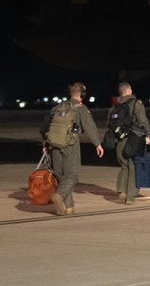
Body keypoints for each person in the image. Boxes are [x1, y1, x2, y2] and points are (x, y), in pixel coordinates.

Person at [44, 82, 104, 216]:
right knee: (72, 176)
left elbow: (47, 127)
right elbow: (89, 126)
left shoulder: (58, 107)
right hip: (70, 145)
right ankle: (59, 195)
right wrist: (97, 144)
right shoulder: (80, 109)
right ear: (82, 94)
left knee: (62, 176)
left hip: (54, 145)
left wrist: (45, 145)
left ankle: (69, 207)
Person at [109, 82, 150, 204]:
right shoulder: (136, 104)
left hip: (120, 140)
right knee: (133, 166)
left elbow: (110, 124)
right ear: (129, 90)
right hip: (133, 140)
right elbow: (143, 121)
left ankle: (121, 190)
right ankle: (130, 196)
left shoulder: (115, 107)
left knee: (124, 166)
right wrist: (146, 136)